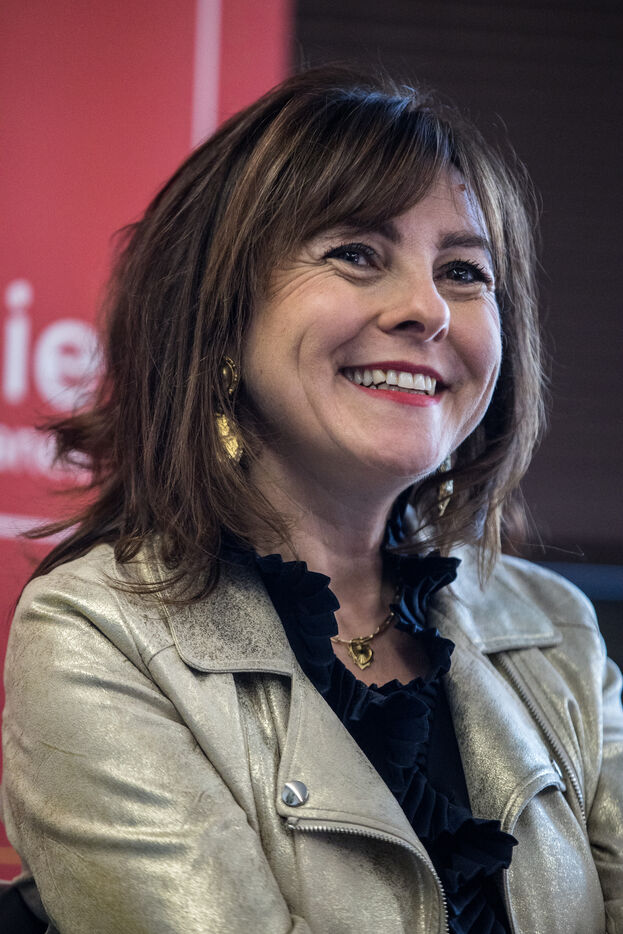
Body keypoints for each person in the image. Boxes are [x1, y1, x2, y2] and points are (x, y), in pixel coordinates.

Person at [1, 65, 622, 934]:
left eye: (462, 271)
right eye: (356, 254)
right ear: (218, 314)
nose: (428, 310)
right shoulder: (96, 633)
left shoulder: (556, 628)